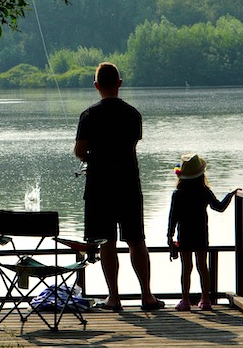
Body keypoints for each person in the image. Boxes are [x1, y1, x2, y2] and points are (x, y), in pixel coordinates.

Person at [74, 62, 164, 311]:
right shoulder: (133, 114)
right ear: (119, 84)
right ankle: (147, 296)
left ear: (96, 85)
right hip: (128, 184)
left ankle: (113, 298)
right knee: (137, 240)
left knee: (107, 242)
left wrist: (91, 155)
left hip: (99, 187)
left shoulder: (89, 115)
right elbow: (131, 145)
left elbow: (80, 151)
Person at [167, 153, 240, 311]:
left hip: (184, 234)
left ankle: (185, 301)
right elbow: (219, 207)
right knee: (202, 266)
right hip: (201, 233)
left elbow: (173, 217)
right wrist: (230, 194)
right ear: (201, 174)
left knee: (186, 268)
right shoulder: (204, 191)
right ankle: (205, 300)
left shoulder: (177, 194)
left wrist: (169, 236)